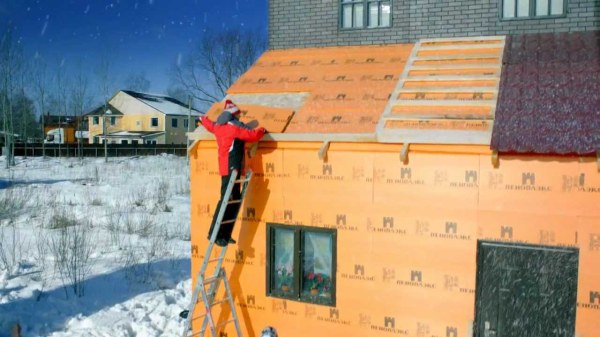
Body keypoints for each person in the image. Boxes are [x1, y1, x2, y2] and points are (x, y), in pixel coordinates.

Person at [199, 99, 267, 247]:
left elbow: (209, 126)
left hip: (227, 169)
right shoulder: (233, 127)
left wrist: (202, 119)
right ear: (233, 115)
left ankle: (224, 234)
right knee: (226, 201)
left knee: (232, 201)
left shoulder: (218, 126)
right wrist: (262, 130)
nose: (239, 119)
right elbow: (252, 135)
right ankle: (214, 234)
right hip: (232, 168)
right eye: (237, 116)